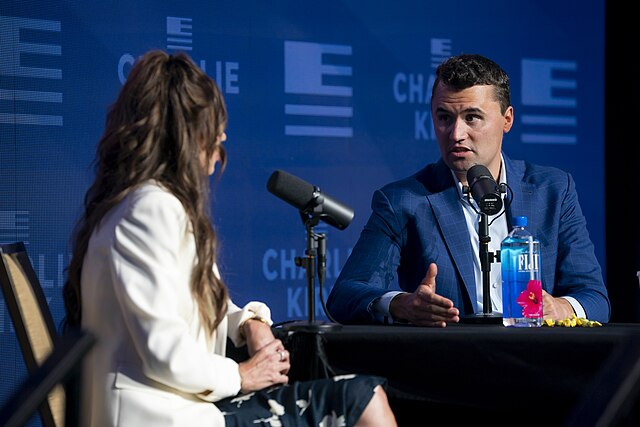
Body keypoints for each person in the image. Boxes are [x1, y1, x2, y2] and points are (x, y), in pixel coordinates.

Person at [62, 50, 397, 427]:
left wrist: (248, 323)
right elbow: (162, 349)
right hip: (158, 417)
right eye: (214, 126)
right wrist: (242, 375)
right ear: (187, 136)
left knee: (361, 395)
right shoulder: (150, 209)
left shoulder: (148, 203)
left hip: (181, 407)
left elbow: (202, 301)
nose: (222, 138)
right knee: (363, 399)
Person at [326, 53, 610, 327]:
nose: (456, 134)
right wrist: (402, 305)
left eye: (472, 117)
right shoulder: (404, 200)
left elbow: (595, 298)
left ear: (507, 119)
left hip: (534, 355)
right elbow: (345, 294)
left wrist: (559, 307)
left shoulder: (553, 191)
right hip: (449, 355)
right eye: (444, 117)